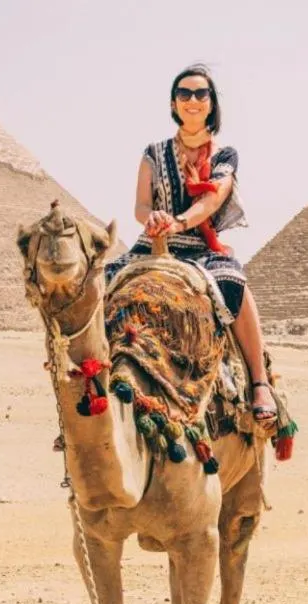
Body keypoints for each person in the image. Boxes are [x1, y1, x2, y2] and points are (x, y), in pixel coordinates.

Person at [105, 64, 278, 422]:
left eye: (201, 94)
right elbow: (140, 204)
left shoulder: (224, 155)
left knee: (234, 284)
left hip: (199, 248)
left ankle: (259, 382)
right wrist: (151, 218)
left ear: (212, 104)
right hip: (152, 244)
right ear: (173, 104)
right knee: (100, 285)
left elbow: (212, 200)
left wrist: (178, 221)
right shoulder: (153, 152)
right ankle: (87, 389)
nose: (193, 100)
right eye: (184, 94)